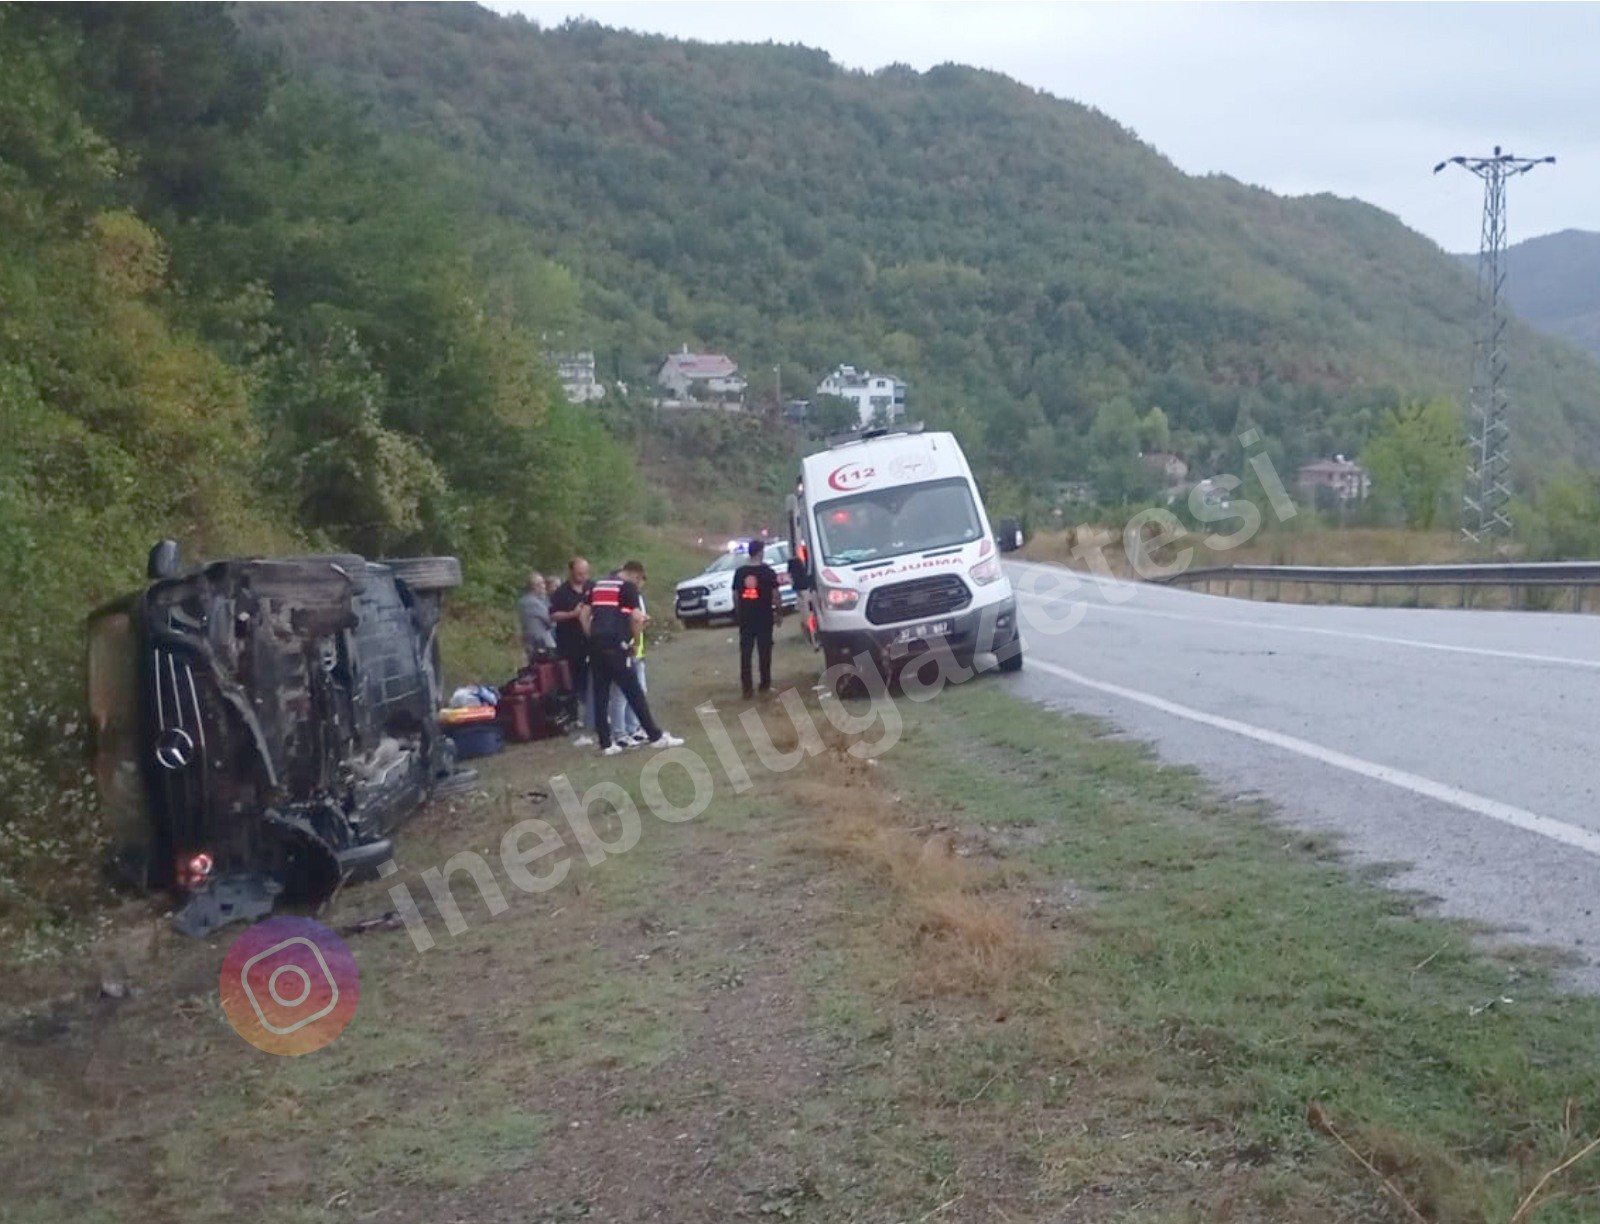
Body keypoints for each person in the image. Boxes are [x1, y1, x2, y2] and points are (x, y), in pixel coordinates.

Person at [580, 561, 682, 755]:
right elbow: (636, 618)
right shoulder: (627, 588)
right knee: (634, 693)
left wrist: (592, 636)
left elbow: (583, 615)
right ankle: (655, 736)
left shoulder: (597, 585)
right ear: (636, 575)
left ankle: (606, 743)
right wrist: (636, 642)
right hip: (617, 646)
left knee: (601, 695)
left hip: (596, 647)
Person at [548, 557, 594, 744]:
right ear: (571, 572)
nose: (583, 577)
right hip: (569, 643)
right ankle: (575, 716)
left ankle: (593, 713)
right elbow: (553, 616)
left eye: (585, 573)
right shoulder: (561, 592)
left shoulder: (593, 586)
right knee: (572, 682)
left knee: (592, 679)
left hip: (590, 641)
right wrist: (573, 615)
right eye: (579, 573)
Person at [733, 539, 782, 698]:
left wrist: (739, 612)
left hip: (746, 617)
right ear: (760, 552)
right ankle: (764, 684)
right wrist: (778, 612)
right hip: (764, 616)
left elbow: (735, 595)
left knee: (745, 653)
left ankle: (747, 688)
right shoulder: (767, 571)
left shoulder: (740, 572)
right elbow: (775, 595)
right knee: (764, 652)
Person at [608, 580, 650, 746]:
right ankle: (621, 732)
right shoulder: (624, 608)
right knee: (621, 694)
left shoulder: (630, 604)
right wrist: (636, 644)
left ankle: (633, 727)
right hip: (627, 650)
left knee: (638, 690)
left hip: (634, 650)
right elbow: (635, 623)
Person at [518, 572, 556, 661]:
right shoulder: (534, 603)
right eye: (541, 583)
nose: (544, 586)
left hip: (530, 643)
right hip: (543, 644)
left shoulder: (523, 601)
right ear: (534, 586)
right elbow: (551, 621)